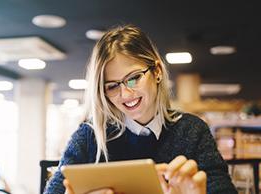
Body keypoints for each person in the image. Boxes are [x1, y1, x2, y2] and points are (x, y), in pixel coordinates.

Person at [43, 24, 237, 194]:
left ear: (157, 72)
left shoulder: (192, 131)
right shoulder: (89, 136)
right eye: (112, 86)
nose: (126, 95)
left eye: (134, 78)